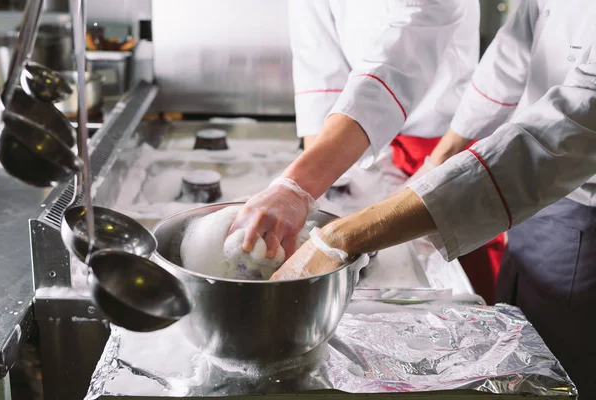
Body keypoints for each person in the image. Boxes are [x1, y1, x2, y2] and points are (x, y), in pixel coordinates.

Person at [270, 15, 596, 399]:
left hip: (577, 200)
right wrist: (445, 154)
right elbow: (513, 52)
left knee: (558, 361)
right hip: (527, 182)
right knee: (519, 317)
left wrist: (342, 234)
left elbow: (566, 130)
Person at [228, 0, 506, 303]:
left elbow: (403, 55)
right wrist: (316, 194)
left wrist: (296, 186)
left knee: (458, 276)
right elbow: (319, 69)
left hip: (447, 136)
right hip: (348, 134)